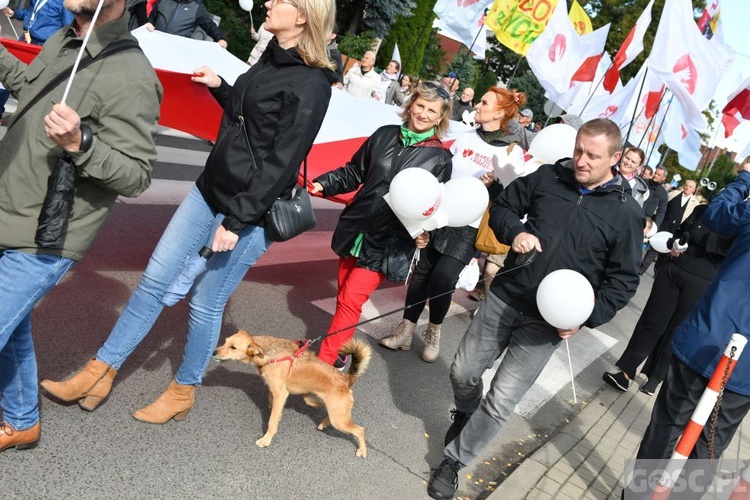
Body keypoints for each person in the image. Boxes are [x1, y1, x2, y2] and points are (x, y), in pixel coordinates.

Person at [40, 0, 338, 425]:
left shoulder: (312, 84)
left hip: (249, 213)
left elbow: (282, 161)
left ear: (304, 15)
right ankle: (99, 371)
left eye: (280, 0)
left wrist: (236, 222)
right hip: (208, 191)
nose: (268, 3)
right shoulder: (271, 56)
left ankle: (183, 390)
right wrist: (221, 86)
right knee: (152, 281)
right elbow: (253, 115)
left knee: (205, 301)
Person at [427, 118, 645, 499]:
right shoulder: (548, 177)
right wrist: (517, 232)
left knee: (501, 401)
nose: (580, 160)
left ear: (615, 158)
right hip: (507, 293)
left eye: (592, 156)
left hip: (548, 323)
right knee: (462, 373)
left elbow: (623, 281)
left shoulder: (626, 214)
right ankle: (465, 413)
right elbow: (504, 208)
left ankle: (453, 462)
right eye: (578, 150)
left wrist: (585, 318)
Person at [0, 0, 162, 452]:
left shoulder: (132, 75)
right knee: (11, 329)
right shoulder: (64, 38)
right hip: (7, 205)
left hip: (47, 233)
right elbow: (29, 87)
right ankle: (22, 421)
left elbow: (136, 175)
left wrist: (81, 141)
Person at [379, 87, 529, 362]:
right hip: (437, 215)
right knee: (422, 273)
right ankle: (405, 330)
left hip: (469, 225)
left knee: (443, 277)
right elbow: (443, 171)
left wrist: (493, 187)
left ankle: (434, 331)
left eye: (484, 102)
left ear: (499, 112)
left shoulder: (512, 153)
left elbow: (511, 198)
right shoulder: (466, 136)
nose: (478, 106)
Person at [310, 82, 453, 367]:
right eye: (420, 105)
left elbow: (434, 206)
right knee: (344, 297)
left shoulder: (440, 158)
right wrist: (323, 183)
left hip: (389, 242)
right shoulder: (384, 135)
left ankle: (323, 366)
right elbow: (354, 171)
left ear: (440, 117)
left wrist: (426, 232)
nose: (423, 114)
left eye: (431, 110)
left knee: (351, 300)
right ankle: (339, 352)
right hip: (357, 228)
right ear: (410, 104)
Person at [630, 161, 750, 497]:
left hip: (709, 337)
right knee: (708, 448)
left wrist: (744, 180)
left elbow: (718, 215)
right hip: (741, 368)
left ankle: (637, 496)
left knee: (668, 427)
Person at [603, 202, 732, 396]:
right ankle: (626, 371)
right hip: (674, 270)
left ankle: (655, 377)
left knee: (676, 330)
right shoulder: (703, 210)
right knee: (652, 321)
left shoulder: (739, 223)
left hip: (702, 282)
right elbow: (680, 232)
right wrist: (675, 243)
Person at [640, 178, 698, 275]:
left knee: (667, 253)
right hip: (664, 226)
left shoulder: (695, 203)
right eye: (686, 185)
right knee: (653, 249)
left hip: (676, 231)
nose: (687, 187)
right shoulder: (673, 194)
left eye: (690, 186)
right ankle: (641, 269)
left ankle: (657, 273)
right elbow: (662, 207)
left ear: (694, 190)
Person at [145, 0, 227, 48]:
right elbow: (152, 16)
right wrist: (149, 23)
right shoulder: (163, 1)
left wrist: (220, 38)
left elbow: (209, 25)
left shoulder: (196, 7)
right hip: (154, 45)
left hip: (176, 51)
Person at [3, 0, 74, 45]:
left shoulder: (65, 2)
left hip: (44, 44)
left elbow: (68, 27)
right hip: (27, 37)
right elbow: (30, 14)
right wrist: (15, 13)